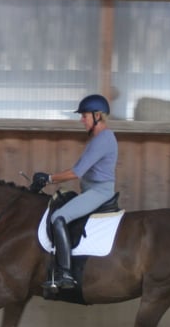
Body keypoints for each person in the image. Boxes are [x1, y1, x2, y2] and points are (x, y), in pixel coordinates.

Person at [31, 93, 118, 292]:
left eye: (84, 115)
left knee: (59, 217)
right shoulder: (99, 138)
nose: (81, 119)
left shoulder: (103, 139)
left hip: (99, 192)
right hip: (90, 190)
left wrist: (49, 178)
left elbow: (76, 172)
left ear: (98, 115)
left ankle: (66, 273)